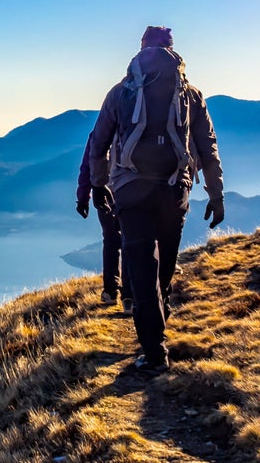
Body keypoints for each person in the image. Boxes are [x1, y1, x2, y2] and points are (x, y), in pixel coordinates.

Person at [88, 25, 224, 375]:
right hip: (174, 188)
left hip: (131, 191)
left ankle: (154, 351)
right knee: (162, 268)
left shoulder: (120, 92)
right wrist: (216, 193)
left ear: (140, 50)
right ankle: (157, 328)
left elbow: (99, 141)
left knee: (142, 269)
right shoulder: (190, 94)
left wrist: (99, 184)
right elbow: (207, 146)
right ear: (173, 51)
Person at [77, 132, 132, 315]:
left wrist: (83, 197)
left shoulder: (100, 131)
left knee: (111, 239)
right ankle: (129, 296)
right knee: (130, 240)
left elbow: (87, 165)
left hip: (104, 192)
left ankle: (110, 291)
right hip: (132, 189)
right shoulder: (136, 125)